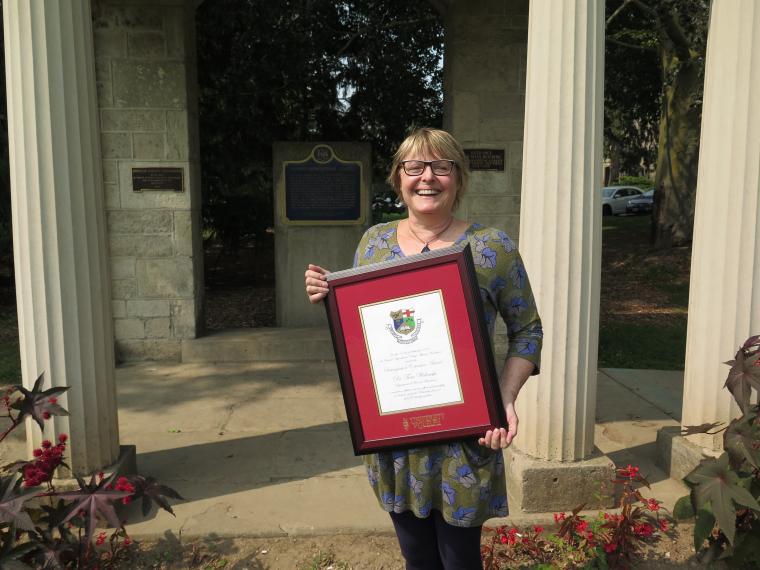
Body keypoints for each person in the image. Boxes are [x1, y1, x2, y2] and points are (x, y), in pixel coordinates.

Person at [304, 127, 543, 570]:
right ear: (399, 179)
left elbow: (528, 330)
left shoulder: (493, 247)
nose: (427, 177)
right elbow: (367, 330)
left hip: (465, 438)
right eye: (414, 166)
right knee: (416, 558)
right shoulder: (373, 243)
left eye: (441, 166)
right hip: (397, 438)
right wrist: (329, 295)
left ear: (459, 177)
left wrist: (504, 399)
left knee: (460, 561)